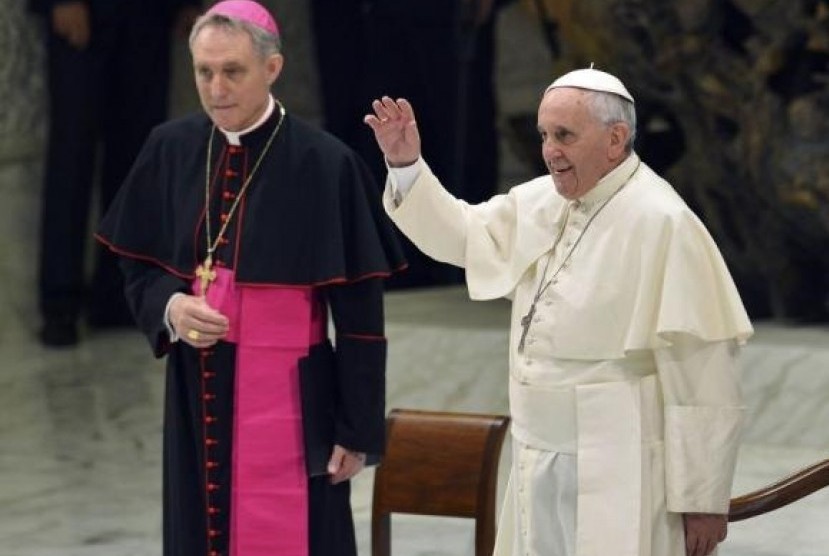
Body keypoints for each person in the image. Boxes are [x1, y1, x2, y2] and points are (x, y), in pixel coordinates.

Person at [365, 68, 753, 556]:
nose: (549, 150)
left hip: (620, 461)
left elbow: (703, 372)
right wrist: (406, 165)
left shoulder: (663, 221)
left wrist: (703, 498)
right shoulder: (540, 199)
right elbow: (463, 234)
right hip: (536, 453)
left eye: (564, 135)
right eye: (545, 135)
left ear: (616, 139)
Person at [95, 2, 405, 555]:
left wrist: (356, 431)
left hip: (297, 399)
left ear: (273, 68)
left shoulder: (326, 164)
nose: (216, 88)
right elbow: (136, 263)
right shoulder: (170, 148)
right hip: (199, 390)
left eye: (232, 71)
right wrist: (171, 307)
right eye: (203, 72)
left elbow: (361, 321)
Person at [29, 0, 201, 347]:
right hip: (82, 11)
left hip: (147, 16)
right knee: (72, 154)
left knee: (137, 155)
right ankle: (60, 303)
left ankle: (118, 296)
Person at [311, 0, 509, 288]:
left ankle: (457, 265)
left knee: (455, 134)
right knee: (373, 125)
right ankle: (387, 267)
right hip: (366, 23)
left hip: (444, 20)